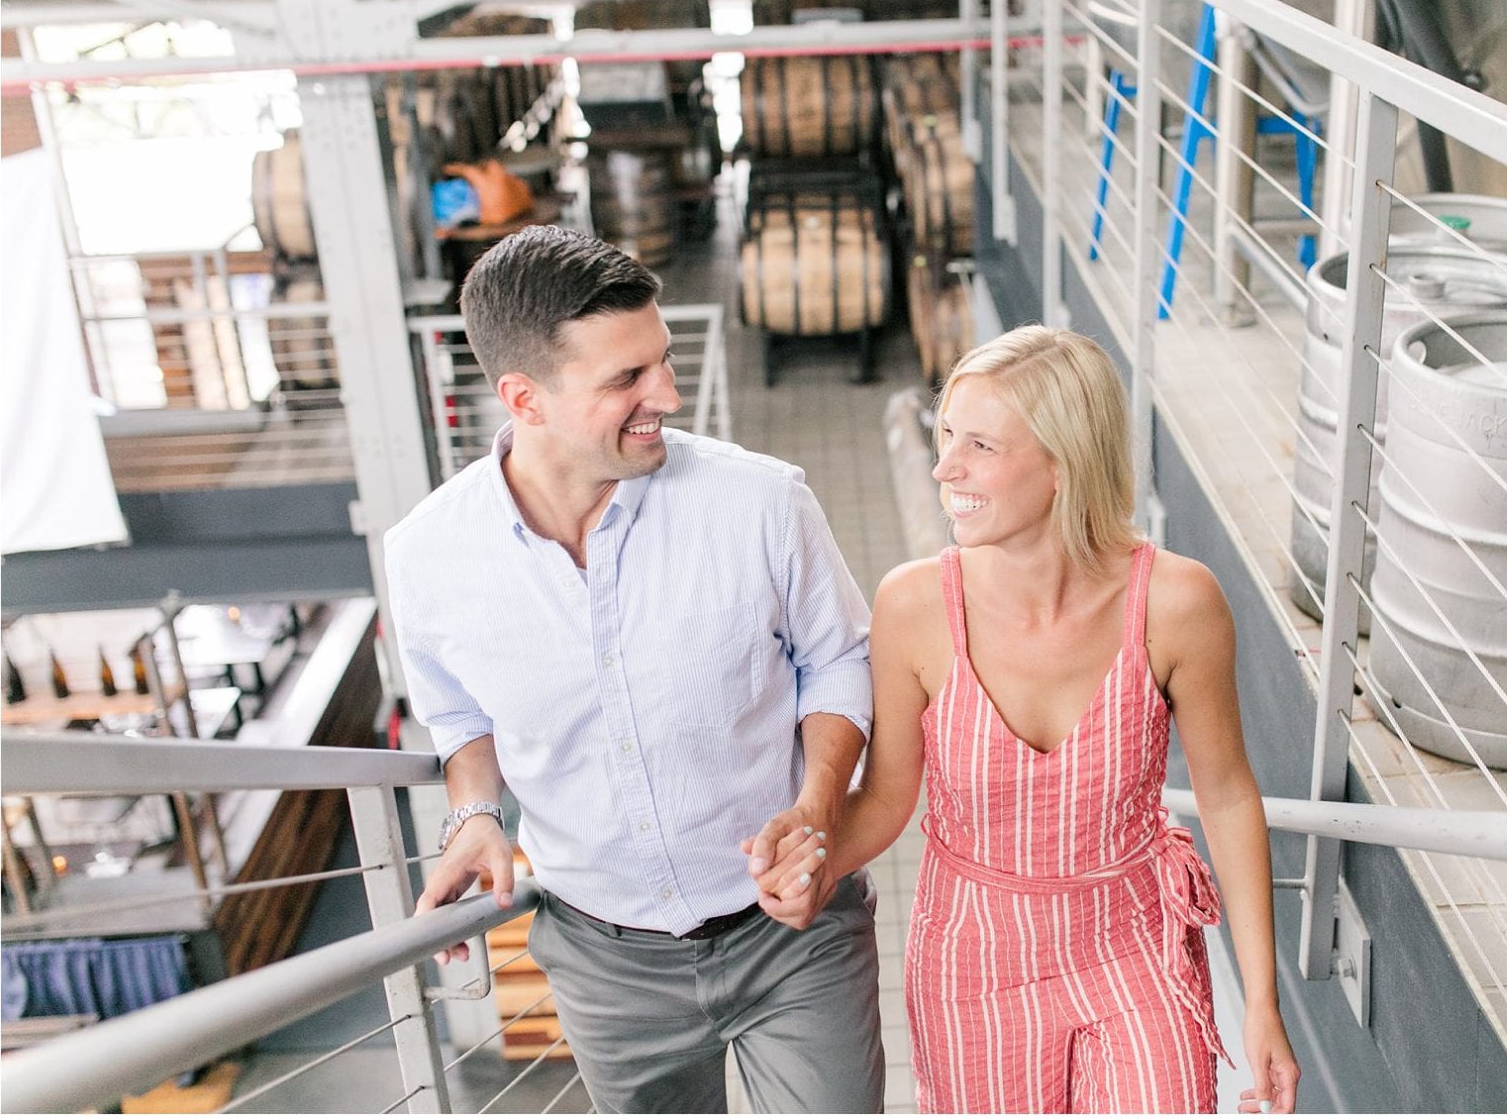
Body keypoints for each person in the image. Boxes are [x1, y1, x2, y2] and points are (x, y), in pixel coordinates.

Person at [385, 226, 884, 1113]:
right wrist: (473, 811)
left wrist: (815, 814)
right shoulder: (428, 554)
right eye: (627, 379)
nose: (669, 392)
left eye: (661, 360)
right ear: (522, 398)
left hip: (794, 936)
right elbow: (459, 713)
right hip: (603, 964)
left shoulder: (761, 502)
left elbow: (839, 657)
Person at [756, 326, 1301, 1114]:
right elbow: (886, 801)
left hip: (1133, 947)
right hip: (973, 966)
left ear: (1062, 463)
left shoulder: (1179, 604)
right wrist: (812, 862)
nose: (946, 469)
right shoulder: (914, 607)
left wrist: (1261, 1002)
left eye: (979, 445)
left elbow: (1225, 796)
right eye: (947, 436)